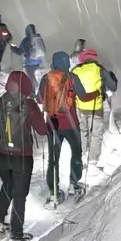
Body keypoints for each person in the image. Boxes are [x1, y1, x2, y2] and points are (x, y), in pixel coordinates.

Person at [0, 70, 47, 241]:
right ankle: (17, 235)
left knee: (8, 184)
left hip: (1, 154)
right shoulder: (29, 105)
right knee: (20, 195)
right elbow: (42, 130)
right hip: (22, 156)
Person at [37, 51, 84, 205]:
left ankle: (54, 192)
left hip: (53, 124)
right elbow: (83, 96)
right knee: (76, 153)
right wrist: (97, 93)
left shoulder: (46, 78)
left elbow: (39, 98)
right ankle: (74, 184)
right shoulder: (72, 78)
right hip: (71, 124)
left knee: (53, 159)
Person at [71, 49, 118, 168]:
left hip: (80, 106)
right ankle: (93, 159)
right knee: (96, 133)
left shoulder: (75, 70)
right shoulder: (99, 69)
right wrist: (113, 77)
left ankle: (82, 154)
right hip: (95, 106)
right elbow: (112, 86)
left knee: (83, 131)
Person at [11, 24, 46, 90]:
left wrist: (13, 48)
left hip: (29, 63)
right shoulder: (38, 38)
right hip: (38, 62)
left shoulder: (26, 41)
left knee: (31, 79)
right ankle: (39, 88)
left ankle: (33, 91)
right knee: (35, 78)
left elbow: (19, 52)